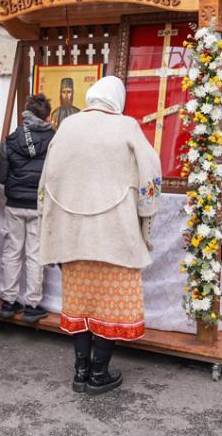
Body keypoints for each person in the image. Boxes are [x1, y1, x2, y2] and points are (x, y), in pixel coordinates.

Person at [38, 76, 161, 395]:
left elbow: (46, 179)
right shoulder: (126, 126)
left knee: (80, 304)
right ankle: (98, 373)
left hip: (73, 236)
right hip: (115, 236)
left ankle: (80, 371)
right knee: (110, 306)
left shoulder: (67, 127)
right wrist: (146, 213)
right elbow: (151, 172)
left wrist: (51, 224)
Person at [0, 93, 55, 322]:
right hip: (39, 205)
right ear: (47, 116)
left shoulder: (12, 138)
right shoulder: (53, 140)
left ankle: (8, 302)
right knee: (35, 255)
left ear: (25, 114)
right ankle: (32, 305)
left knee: (11, 253)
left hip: (14, 204)